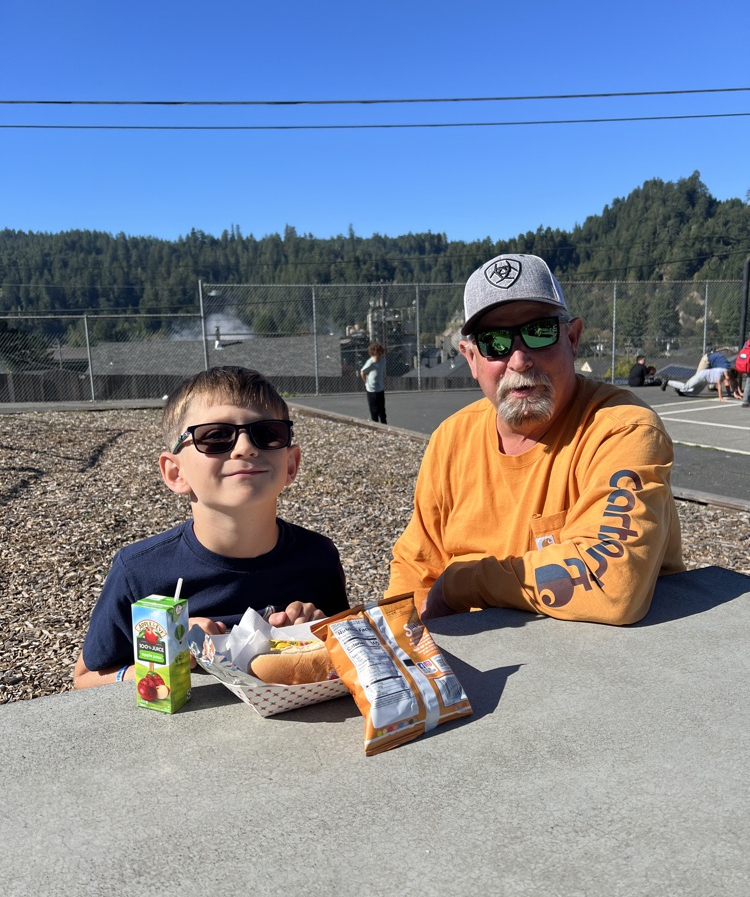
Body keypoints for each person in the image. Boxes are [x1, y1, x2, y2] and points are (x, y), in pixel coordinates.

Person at [386, 252, 684, 626]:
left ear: (572, 339)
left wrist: (461, 584)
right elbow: (413, 573)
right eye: (494, 342)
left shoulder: (623, 430)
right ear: (470, 357)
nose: (519, 359)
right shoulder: (451, 439)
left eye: (539, 331)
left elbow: (614, 583)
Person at [73, 366, 349, 688]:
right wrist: (166, 658)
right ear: (176, 473)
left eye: (268, 433)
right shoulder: (139, 572)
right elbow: (85, 678)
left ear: (290, 464)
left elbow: (345, 657)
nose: (245, 447)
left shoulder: (318, 557)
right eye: (215, 436)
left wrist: (319, 632)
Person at [662, 350, 732, 396]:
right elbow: (722, 383)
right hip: (703, 371)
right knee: (686, 386)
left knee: (695, 392)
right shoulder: (725, 370)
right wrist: (722, 397)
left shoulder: (727, 369)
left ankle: (681, 391)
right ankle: (667, 382)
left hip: (705, 380)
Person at [360, 342, 387, 423]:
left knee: (382, 410)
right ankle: (375, 425)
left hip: (380, 389)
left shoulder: (383, 360)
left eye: (379, 354)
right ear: (372, 354)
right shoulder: (371, 363)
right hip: (371, 390)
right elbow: (363, 373)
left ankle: (384, 425)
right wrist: (366, 382)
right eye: (375, 355)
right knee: (374, 410)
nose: (377, 357)